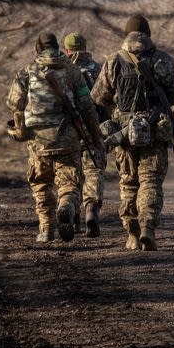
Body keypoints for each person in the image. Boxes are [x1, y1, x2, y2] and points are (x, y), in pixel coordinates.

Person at [91, 15, 174, 251]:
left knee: (129, 184)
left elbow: (99, 97)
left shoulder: (113, 61)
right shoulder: (162, 60)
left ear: (126, 34)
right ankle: (147, 229)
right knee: (151, 182)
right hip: (155, 132)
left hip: (124, 134)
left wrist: (119, 113)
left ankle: (131, 235)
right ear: (148, 34)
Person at [7, 31, 104, 243]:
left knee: (41, 183)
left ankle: (47, 229)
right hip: (68, 138)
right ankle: (67, 206)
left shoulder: (27, 72)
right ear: (57, 47)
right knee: (69, 182)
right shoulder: (72, 71)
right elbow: (87, 107)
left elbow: (15, 105)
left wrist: (20, 130)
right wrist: (95, 136)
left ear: (38, 49)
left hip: (38, 140)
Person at [63, 31, 107, 237]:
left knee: (72, 174)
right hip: (94, 129)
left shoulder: (64, 70)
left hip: (69, 131)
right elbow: (108, 102)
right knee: (94, 171)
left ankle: (73, 217)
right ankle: (91, 209)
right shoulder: (99, 68)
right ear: (85, 47)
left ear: (67, 50)